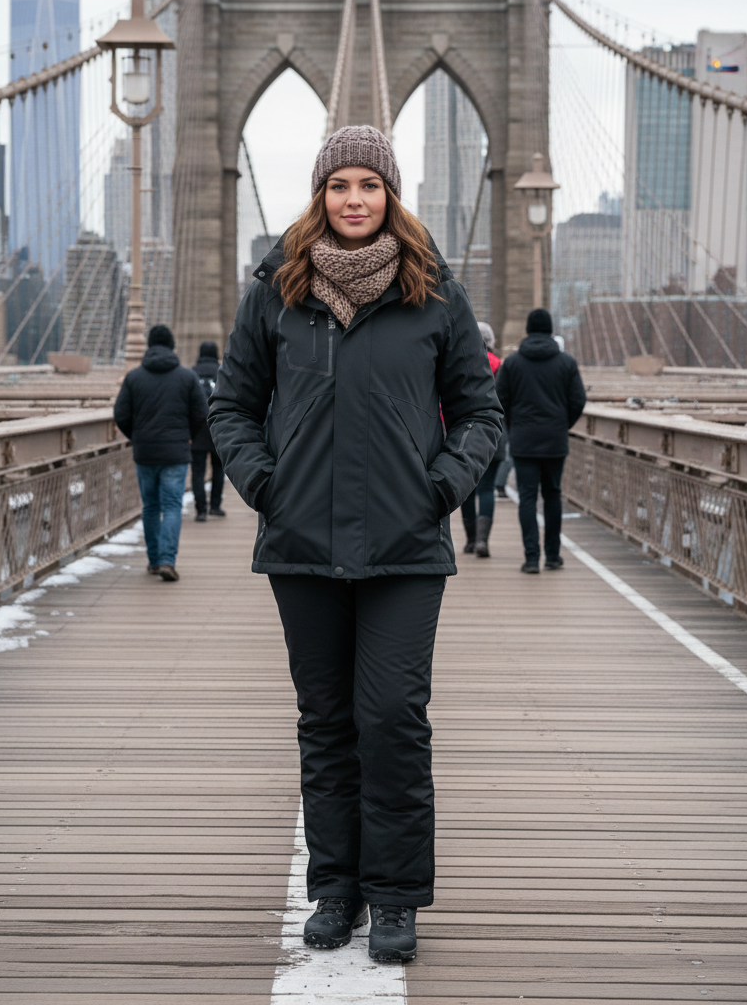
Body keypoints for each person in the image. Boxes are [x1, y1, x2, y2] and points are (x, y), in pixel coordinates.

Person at [209, 125, 503, 964]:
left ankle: (398, 896)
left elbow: (481, 411)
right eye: (339, 185)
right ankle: (337, 888)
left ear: (391, 196)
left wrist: (440, 487)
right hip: (302, 543)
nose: (353, 200)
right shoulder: (274, 291)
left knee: (394, 719)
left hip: (406, 546)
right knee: (327, 722)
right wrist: (266, 485)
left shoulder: (436, 294)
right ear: (319, 195)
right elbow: (230, 405)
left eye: (368, 186)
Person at [113, 323, 208, 582]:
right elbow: (201, 413)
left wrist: (138, 436)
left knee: (151, 507)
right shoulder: (187, 377)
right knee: (173, 505)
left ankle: (154, 561)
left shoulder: (133, 377)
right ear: (172, 346)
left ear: (149, 346)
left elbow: (120, 414)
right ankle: (168, 560)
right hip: (176, 452)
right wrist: (186, 435)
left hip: (145, 452)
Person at [495, 307, 586, 574]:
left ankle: (532, 559)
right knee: (552, 495)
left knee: (526, 498)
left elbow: (500, 401)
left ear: (527, 330)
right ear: (550, 330)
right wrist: (562, 424)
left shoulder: (512, 364)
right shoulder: (566, 363)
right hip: (555, 440)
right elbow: (578, 400)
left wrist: (515, 427)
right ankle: (553, 556)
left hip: (524, 441)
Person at [460, 321, 504, 558]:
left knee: (467, 489)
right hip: (494, 435)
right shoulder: (501, 367)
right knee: (487, 489)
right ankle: (482, 541)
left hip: (465, 435)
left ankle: (469, 540)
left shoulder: (463, 363)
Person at [191, 341, 226, 522]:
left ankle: (200, 509)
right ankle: (215, 505)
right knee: (218, 469)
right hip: (218, 428)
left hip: (196, 430)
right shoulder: (223, 372)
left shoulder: (191, 374)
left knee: (198, 471)